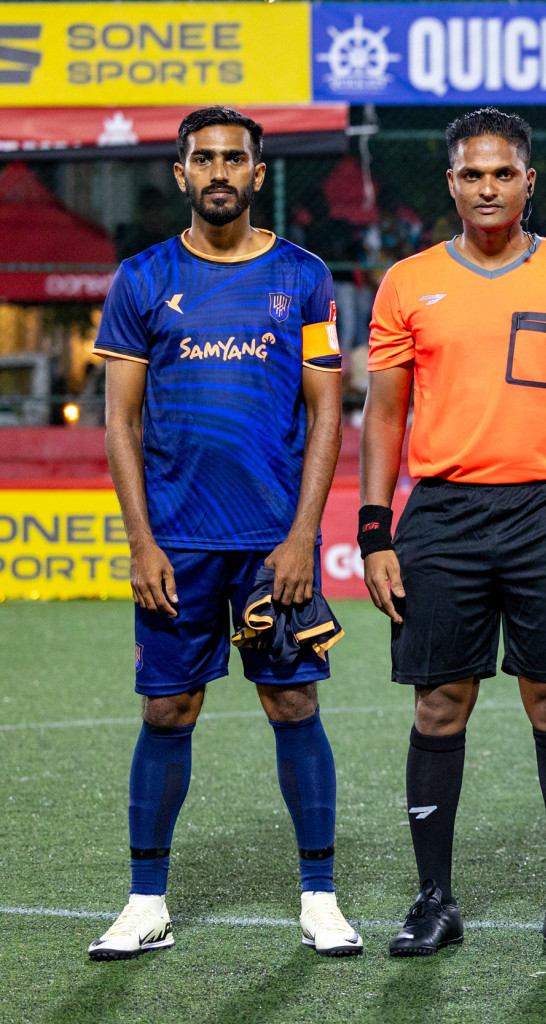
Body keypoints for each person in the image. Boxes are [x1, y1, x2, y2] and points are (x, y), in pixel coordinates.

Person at [360, 108, 546, 959]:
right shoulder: (409, 282)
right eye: (471, 174)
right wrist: (377, 532)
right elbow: (384, 417)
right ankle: (433, 901)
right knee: (440, 702)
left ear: (528, 180)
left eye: (503, 174)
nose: (488, 187)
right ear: (452, 183)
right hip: (442, 514)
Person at [88, 107, 356, 959]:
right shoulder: (140, 280)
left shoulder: (305, 278)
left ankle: (319, 896)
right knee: (167, 708)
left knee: (294, 701)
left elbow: (326, 414)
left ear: (258, 174)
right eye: (202, 158)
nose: (218, 172)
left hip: (273, 539)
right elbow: (119, 424)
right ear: (179, 173)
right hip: (177, 540)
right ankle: (145, 901)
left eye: (233, 159)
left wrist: (302, 535)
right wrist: (141, 542)